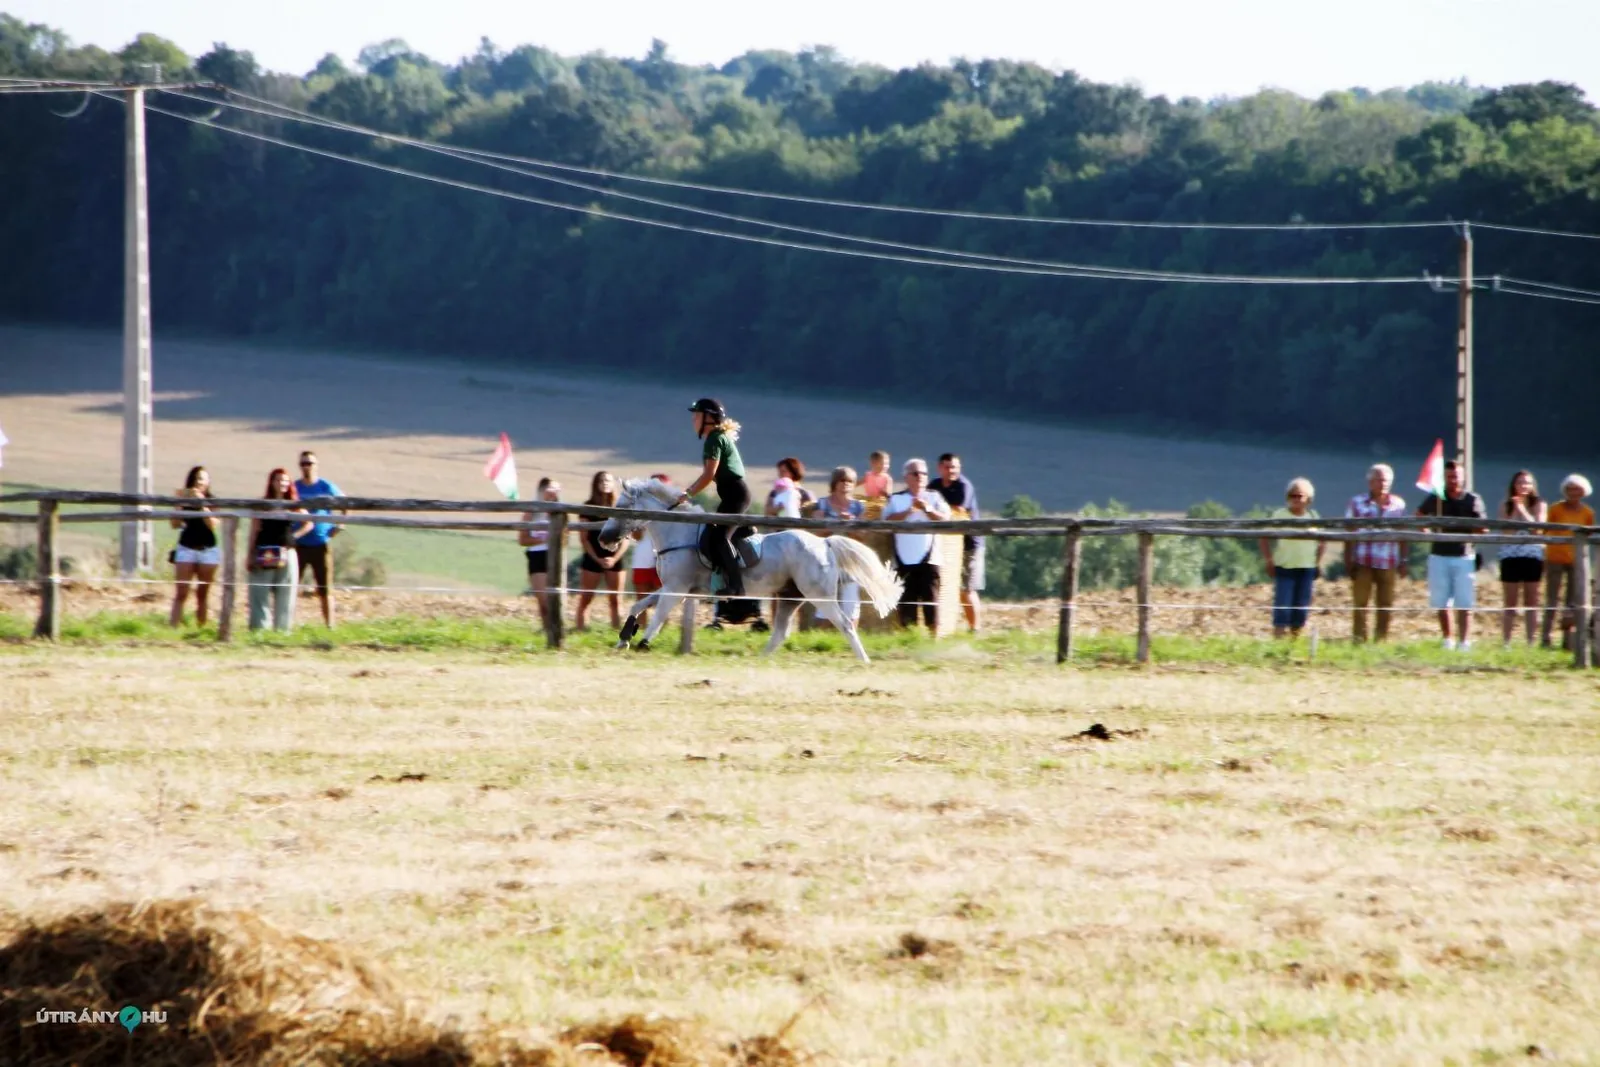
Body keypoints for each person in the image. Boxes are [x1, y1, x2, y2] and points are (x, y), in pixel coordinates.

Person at [678, 398, 759, 624]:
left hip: (736, 494)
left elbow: (708, 475)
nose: (693, 421)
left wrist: (689, 493)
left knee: (720, 538)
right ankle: (720, 582)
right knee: (710, 537)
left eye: (696, 416)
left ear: (708, 419)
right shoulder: (716, 437)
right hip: (733, 495)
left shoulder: (714, 439)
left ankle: (737, 586)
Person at [1416, 459, 1488, 651]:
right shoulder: (1436, 497)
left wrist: (1476, 530)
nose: (1453, 479)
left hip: (1464, 555)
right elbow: (1419, 515)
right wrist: (1424, 528)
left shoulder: (1472, 499)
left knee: (1465, 601)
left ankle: (1464, 642)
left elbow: (1483, 526)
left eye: (1456, 476)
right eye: (1449, 476)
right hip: (1439, 554)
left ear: (1462, 477)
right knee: (1441, 600)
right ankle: (1447, 639)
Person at [883, 458, 952, 632]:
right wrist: (908, 512)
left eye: (923, 473)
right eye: (915, 473)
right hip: (903, 559)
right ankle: (909, 641)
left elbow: (946, 518)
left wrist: (928, 509)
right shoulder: (897, 499)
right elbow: (885, 520)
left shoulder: (934, 497)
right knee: (906, 605)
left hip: (930, 559)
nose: (920, 476)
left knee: (931, 602)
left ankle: (933, 641)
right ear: (906, 477)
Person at [1344, 464, 1407, 643]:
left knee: (1386, 604)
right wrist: (1348, 558)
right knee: (1360, 603)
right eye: (1378, 479)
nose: (1383, 483)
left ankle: (1381, 640)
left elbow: (1403, 533)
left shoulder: (1398, 505)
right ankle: (1359, 640)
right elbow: (1348, 531)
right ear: (1370, 482)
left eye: (1386, 480)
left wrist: (1404, 559)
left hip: (1388, 561)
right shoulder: (1356, 503)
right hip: (1363, 560)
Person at [1258, 477, 1325, 639]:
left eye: (1299, 496)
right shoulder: (1279, 515)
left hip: (1306, 568)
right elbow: (1263, 537)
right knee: (1282, 606)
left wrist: (1317, 562)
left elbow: (1323, 541)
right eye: (1292, 496)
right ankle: (1278, 640)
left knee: (1301, 607)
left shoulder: (1314, 517)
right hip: (1284, 567)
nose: (1296, 499)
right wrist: (1269, 560)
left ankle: (1295, 641)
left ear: (1308, 499)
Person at [248, 468, 313, 632]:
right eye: (278, 480)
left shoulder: (293, 504)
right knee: (259, 592)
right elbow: (254, 529)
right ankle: (259, 630)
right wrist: (250, 553)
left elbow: (309, 522)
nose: (282, 483)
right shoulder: (262, 505)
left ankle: (282, 632)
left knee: (286, 594)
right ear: (272, 482)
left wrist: (295, 536)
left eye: (285, 480)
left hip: (286, 551)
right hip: (264, 551)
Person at [930, 452, 983, 634]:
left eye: (955, 467)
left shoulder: (964, 486)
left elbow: (959, 509)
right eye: (947, 467)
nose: (951, 470)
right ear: (940, 468)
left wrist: (934, 510)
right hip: (945, 544)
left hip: (969, 543)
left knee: (966, 588)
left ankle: (974, 628)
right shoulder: (935, 485)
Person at [1542, 473, 1595, 649]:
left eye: (1577, 489)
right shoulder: (1555, 509)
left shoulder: (1588, 512)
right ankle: (1546, 638)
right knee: (1551, 599)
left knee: (1572, 602)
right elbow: (1546, 532)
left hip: (1576, 562)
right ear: (1565, 491)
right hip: (1555, 559)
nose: (1573, 493)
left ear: (1583, 492)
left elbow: (1588, 536)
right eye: (1570, 489)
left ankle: (1568, 640)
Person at [292, 450, 344, 628]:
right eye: (303, 463)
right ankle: (287, 624)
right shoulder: (295, 488)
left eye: (310, 463)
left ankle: (330, 626)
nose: (306, 467)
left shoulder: (326, 487)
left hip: (321, 543)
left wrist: (340, 526)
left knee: (325, 588)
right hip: (298, 543)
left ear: (316, 465)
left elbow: (346, 504)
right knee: (291, 586)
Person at [1497, 470, 1547, 647]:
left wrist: (1522, 509)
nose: (1523, 486)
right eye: (1520, 483)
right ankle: (1507, 642)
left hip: (1532, 555)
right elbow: (1506, 531)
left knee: (1531, 600)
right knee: (1510, 601)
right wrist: (1514, 509)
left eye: (1527, 483)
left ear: (1533, 486)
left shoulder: (1539, 504)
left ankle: (1531, 641)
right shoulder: (1505, 505)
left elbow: (1537, 529)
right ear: (1514, 485)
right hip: (1510, 556)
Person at [815, 465, 867, 628]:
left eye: (850, 481)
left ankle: (850, 641)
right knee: (824, 602)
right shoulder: (822, 504)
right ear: (835, 482)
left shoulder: (859, 507)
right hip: (826, 557)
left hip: (850, 559)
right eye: (842, 480)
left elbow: (863, 535)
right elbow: (816, 531)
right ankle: (822, 639)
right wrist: (836, 522)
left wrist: (850, 523)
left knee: (851, 603)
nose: (846, 484)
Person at [168, 465, 219, 628]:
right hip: (187, 547)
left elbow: (213, 524)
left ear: (208, 482)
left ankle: (201, 628)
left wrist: (202, 503)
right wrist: (179, 504)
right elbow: (175, 524)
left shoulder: (213, 501)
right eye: (196, 478)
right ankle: (173, 627)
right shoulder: (185, 499)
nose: (199, 482)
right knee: (181, 592)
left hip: (208, 549)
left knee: (202, 594)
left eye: (202, 478)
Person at [575, 470, 626, 631]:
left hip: (615, 557)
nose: (605, 483)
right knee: (586, 598)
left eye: (608, 481)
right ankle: (581, 631)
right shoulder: (587, 507)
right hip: (592, 557)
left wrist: (614, 559)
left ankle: (617, 634)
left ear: (613, 484)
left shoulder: (621, 507)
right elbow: (584, 538)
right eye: (601, 481)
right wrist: (597, 559)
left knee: (616, 599)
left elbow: (625, 539)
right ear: (595, 485)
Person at [518, 477, 561, 631]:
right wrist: (542, 539)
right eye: (551, 488)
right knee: (543, 601)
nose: (554, 492)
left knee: (556, 599)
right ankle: (547, 632)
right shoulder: (531, 511)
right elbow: (522, 539)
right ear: (542, 490)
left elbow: (566, 536)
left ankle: (557, 631)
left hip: (556, 555)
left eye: (557, 489)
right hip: (537, 556)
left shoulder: (559, 511)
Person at [630, 473, 671, 628]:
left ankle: (661, 634)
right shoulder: (641, 507)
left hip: (665, 555)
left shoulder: (673, 509)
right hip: (643, 555)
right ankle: (639, 632)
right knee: (641, 599)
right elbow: (636, 536)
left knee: (664, 599)